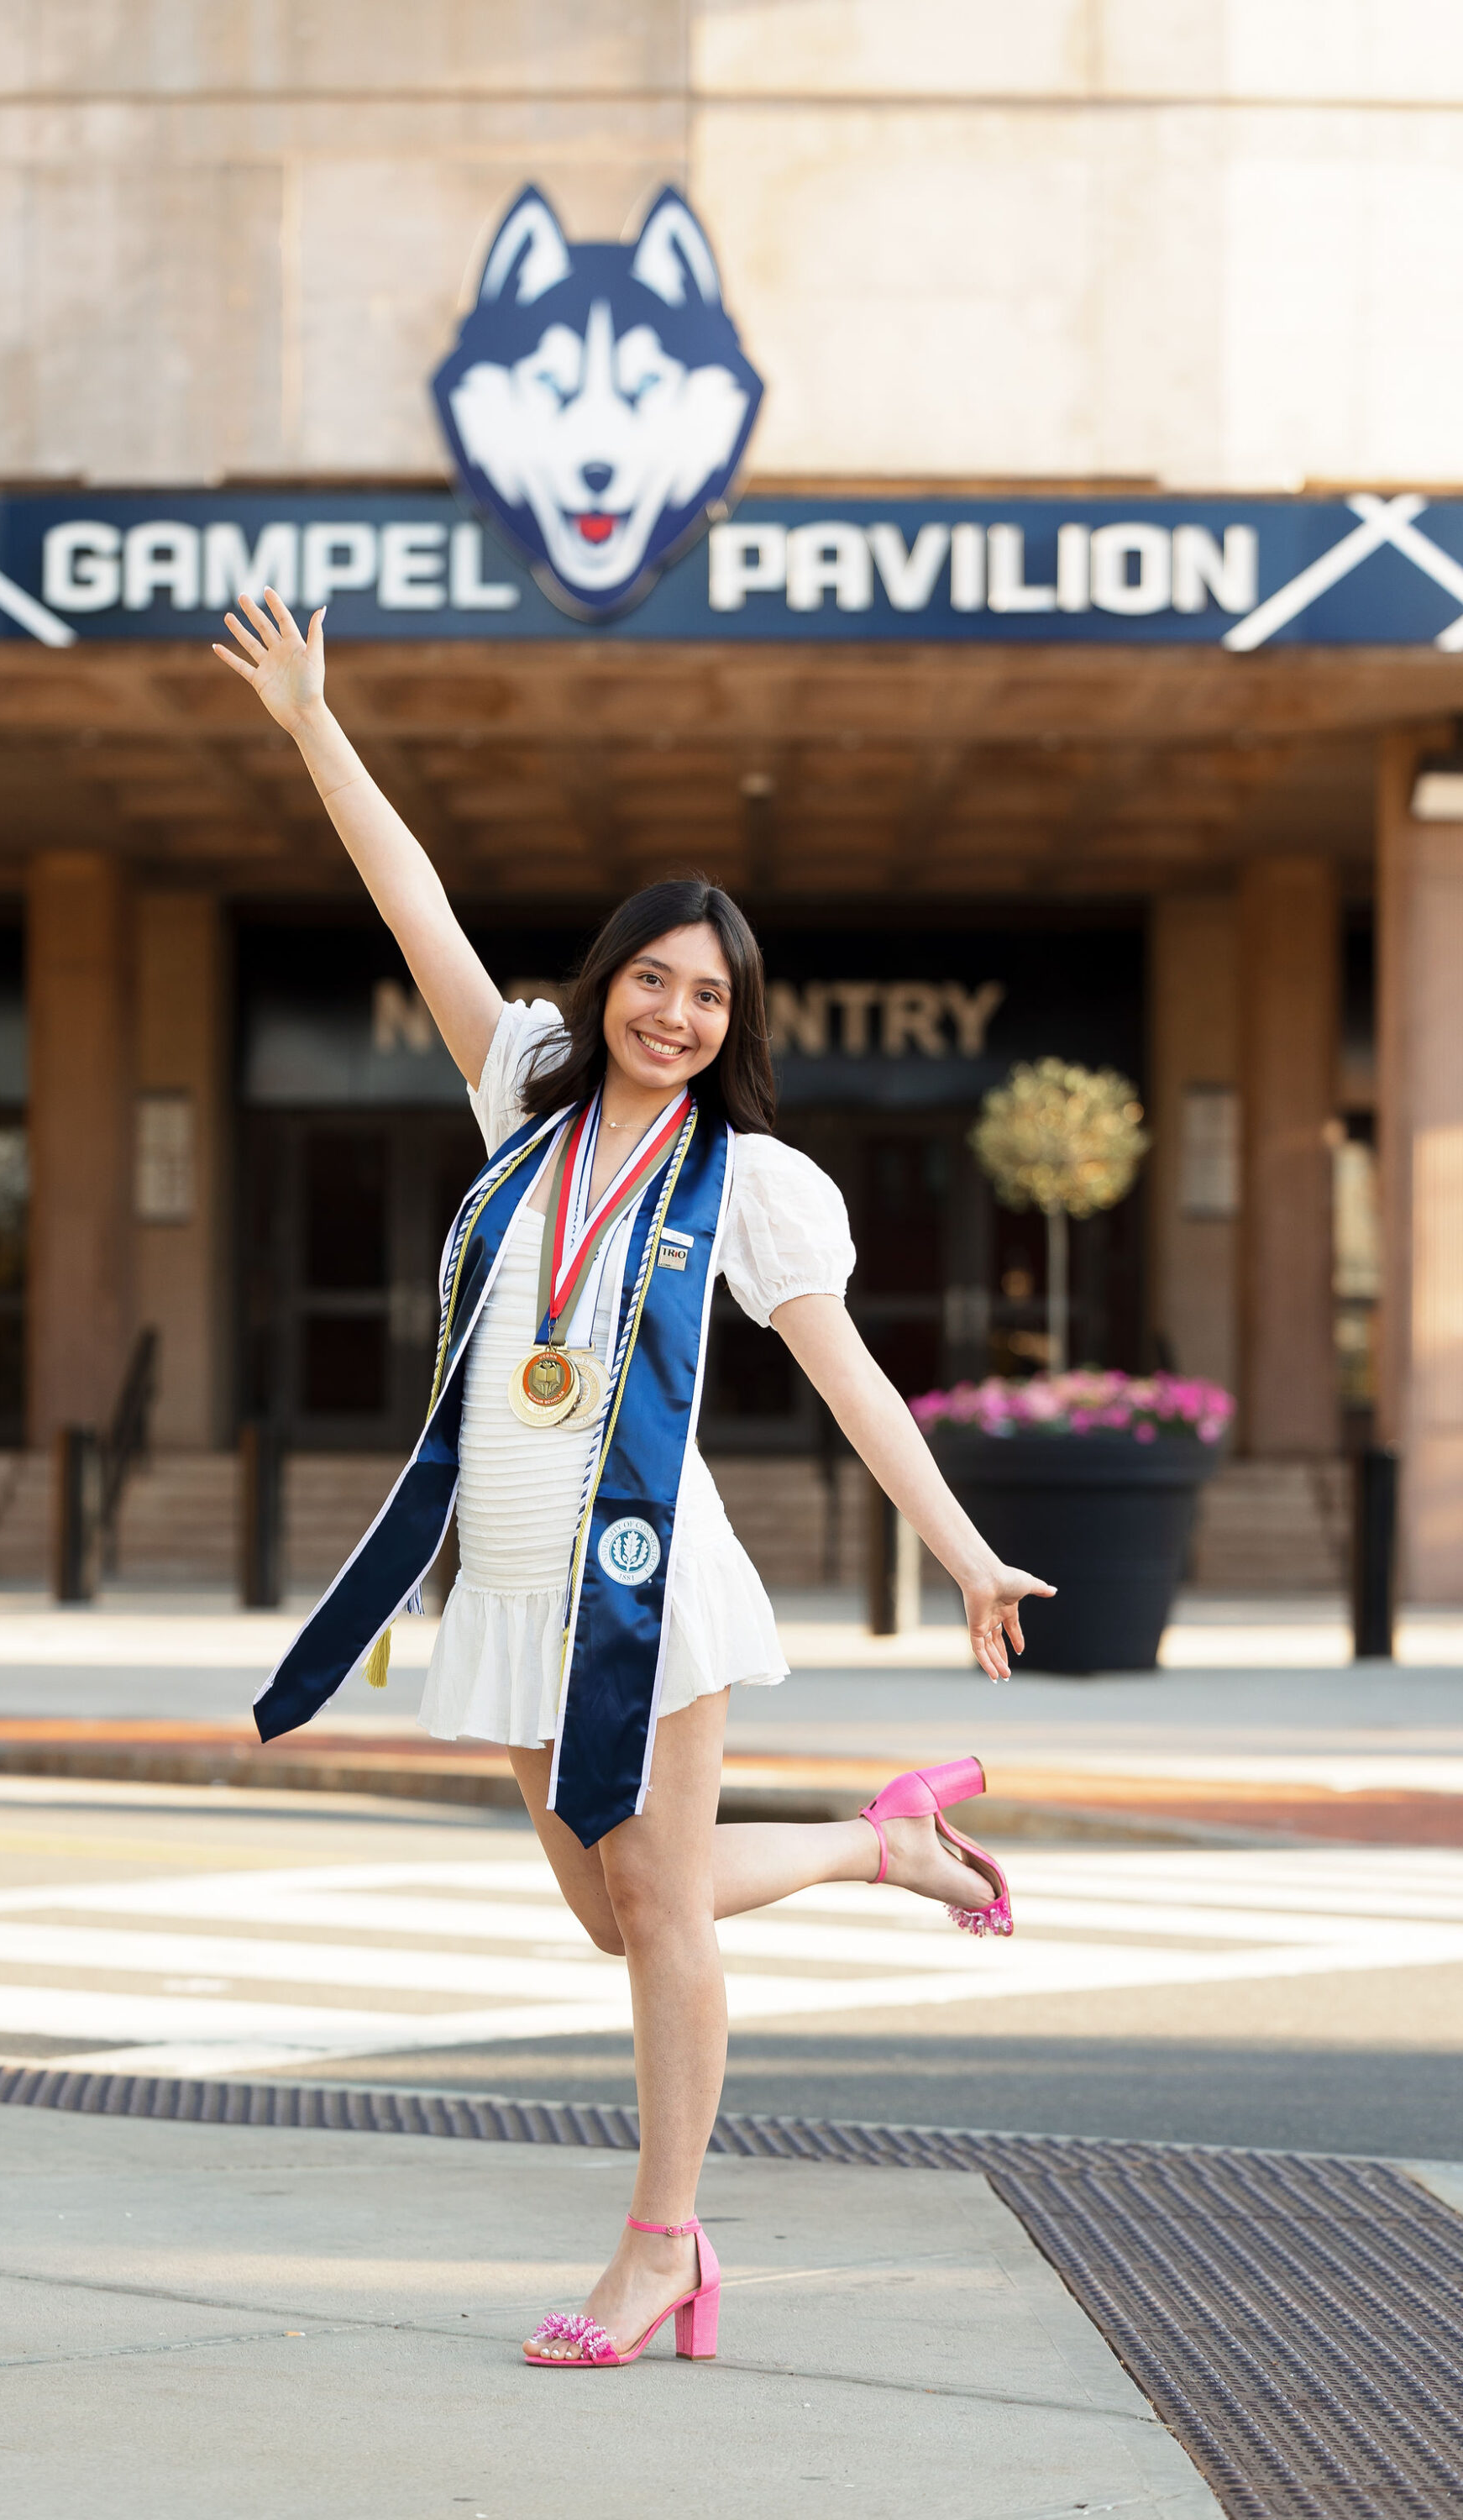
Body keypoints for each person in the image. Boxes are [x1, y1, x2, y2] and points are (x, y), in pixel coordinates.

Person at [213, 589, 1055, 2373]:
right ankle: (879, 1843)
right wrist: (311, 728)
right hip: (508, 1581)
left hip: (646, 1579)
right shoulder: (519, 1094)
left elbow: (852, 1381)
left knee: (662, 1913)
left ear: (733, 1020)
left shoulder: (750, 1183)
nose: (674, 1014)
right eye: (651, 982)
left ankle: (661, 2246)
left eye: (709, 995)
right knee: (610, 1914)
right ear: (604, 991)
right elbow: (414, 904)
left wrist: (967, 1551)